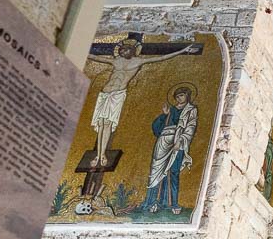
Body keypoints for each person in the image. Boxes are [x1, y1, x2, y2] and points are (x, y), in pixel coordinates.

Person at [84, 35, 200, 170]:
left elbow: (161, 57)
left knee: (108, 123)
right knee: (101, 123)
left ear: (133, 50)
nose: (123, 50)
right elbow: (96, 58)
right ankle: (97, 155)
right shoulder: (116, 61)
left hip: (117, 95)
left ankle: (102, 155)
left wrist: (182, 50)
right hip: (105, 94)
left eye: (127, 49)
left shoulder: (137, 62)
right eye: (121, 49)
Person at [143, 85, 198, 215]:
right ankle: (153, 202)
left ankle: (172, 203)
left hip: (177, 142)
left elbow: (191, 127)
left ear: (187, 96)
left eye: (182, 95)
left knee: (173, 172)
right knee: (157, 171)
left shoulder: (191, 110)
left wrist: (181, 140)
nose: (180, 98)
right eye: (177, 96)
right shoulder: (171, 109)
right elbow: (157, 128)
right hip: (163, 142)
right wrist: (164, 115)